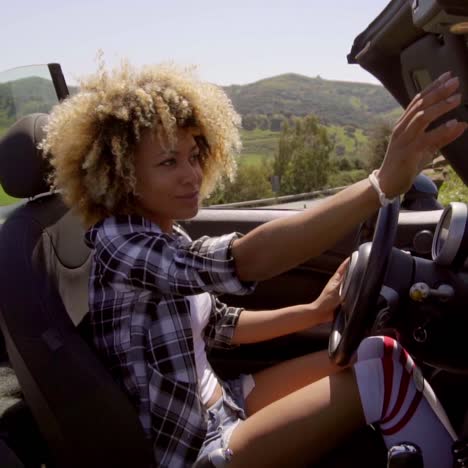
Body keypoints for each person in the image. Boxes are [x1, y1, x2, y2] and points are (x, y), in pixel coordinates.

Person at [41, 62, 467, 468]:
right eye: (168, 162)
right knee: (385, 378)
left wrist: (315, 311)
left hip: (223, 401)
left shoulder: (162, 233)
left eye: (193, 156)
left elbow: (217, 325)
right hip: (190, 449)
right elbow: (243, 261)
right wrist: (377, 186)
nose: (191, 174)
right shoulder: (122, 243)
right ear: (123, 175)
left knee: (379, 351)